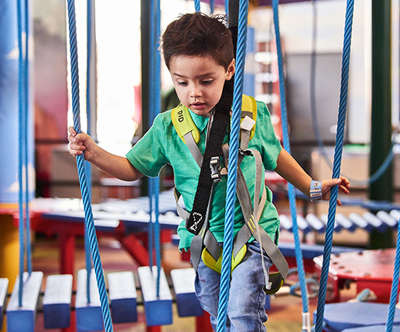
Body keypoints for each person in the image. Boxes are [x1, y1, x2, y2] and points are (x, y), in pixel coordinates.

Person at [68, 12, 350, 332]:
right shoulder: (167, 127)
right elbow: (132, 167)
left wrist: (313, 187)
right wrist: (94, 153)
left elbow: (276, 157)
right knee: (218, 316)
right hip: (203, 239)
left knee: (244, 312)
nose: (194, 93)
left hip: (251, 234)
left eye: (206, 81)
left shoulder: (249, 115)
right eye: (182, 82)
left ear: (229, 70)